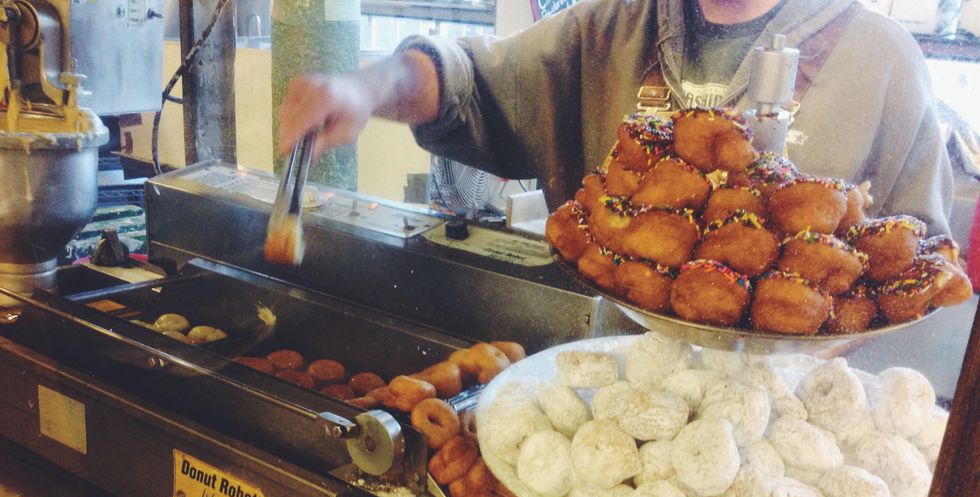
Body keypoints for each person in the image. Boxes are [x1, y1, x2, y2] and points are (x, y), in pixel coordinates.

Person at [278, 0, 953, 233]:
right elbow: (472, 81)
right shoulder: (609, 30)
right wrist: (367, 86)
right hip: (608, 412)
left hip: (787, 451)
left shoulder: (881, 60)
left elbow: (918, 268)